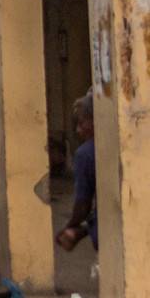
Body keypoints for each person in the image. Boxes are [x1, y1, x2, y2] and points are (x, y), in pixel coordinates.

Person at [57, 94, 99, 253]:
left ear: (95, 120)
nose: (78, 130)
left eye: (82, 123)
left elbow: (83, 205)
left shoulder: (85, 154)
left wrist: (70, 226)